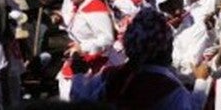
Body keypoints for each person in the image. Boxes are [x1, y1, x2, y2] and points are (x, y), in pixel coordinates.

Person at [70, 6, 211, 109]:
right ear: (164, 48)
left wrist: (78, 75)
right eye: (169, 43)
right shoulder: (168, 89)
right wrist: (201, 82)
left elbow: (81, 99)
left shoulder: (109, 76)